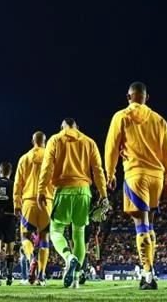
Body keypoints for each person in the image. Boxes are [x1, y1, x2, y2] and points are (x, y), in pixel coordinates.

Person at [103, 81, 167, 291]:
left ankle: (147, 273)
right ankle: (150, 270)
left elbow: (111, 146)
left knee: (140, 224)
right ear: (146, 98)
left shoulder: (122, 116)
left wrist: (110, 173)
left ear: (128, 97)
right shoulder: (159, 120)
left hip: (136, 174)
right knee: (150, 223)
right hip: (157, 177)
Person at [37, 118, 108, 288]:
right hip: (84, 191)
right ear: (78, 127)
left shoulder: (55, 140)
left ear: (62, 127)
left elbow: (47, 168)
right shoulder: (89, 142)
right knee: (79, 235)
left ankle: (69, 257)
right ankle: (75, 279)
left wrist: (41, 190)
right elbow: (98, 170)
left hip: (63, 190)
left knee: (55, 231)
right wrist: (103, 194)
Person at [13, 131, 52, 286]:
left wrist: (16, 203)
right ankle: (41, 276)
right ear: (45, 141)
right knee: (45, 238)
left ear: (32, 141)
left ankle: (31, 259)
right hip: (46, 201)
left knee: (25, 236)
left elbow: (17, 183)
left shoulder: (24, 158)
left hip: (28, 202)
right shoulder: (50, 157)